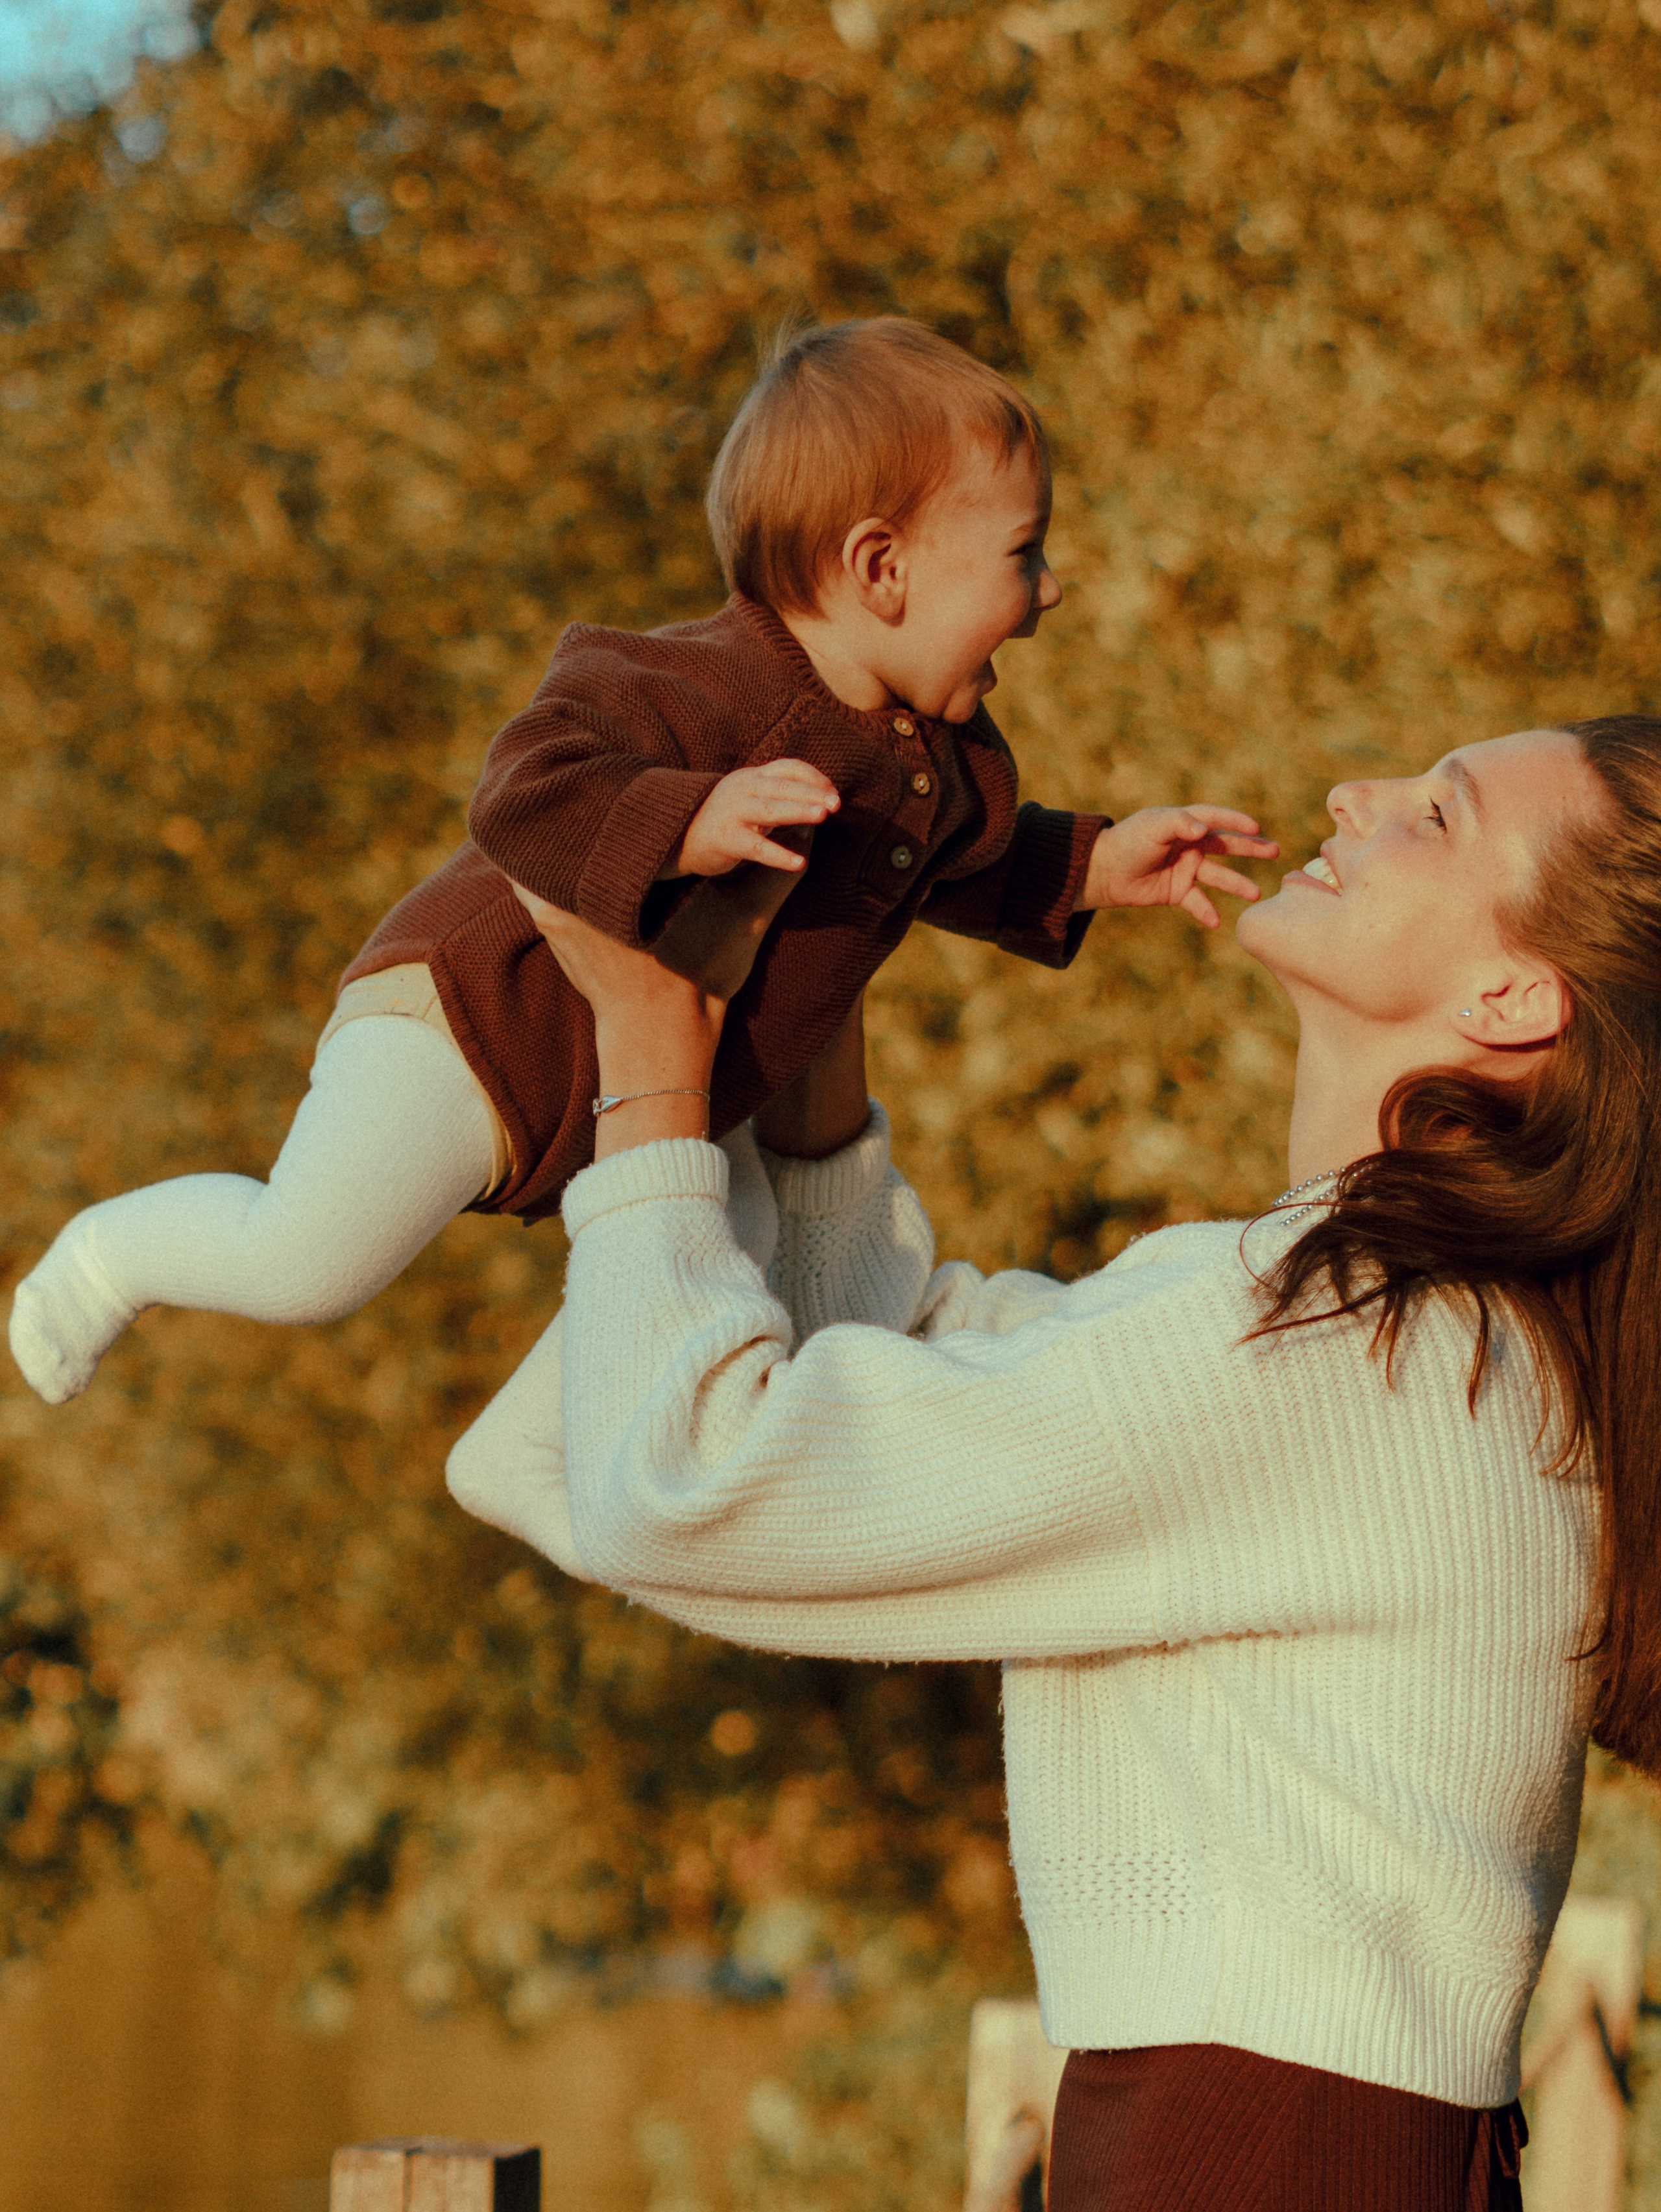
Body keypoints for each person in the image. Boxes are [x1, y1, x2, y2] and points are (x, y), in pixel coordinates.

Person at [449, 714, 1661, 2207]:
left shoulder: (1342, 1342)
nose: (1355, 788)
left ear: (1511, 994)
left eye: (1438, 813)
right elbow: (909, 1377)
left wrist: (650, 1060)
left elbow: (697, 1485)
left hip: (1245, 2157)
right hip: (1283, 2145)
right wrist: (821, 965)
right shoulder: (1400, 1324)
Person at [8, 316, 1270, 1420]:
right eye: (1022, 553)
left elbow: (961, 863)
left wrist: (1096, 861)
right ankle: (109, 1254)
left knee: (739, 1298)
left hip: (656, 1092)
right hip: (465, 1020)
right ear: (880, 568)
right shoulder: (688, 678)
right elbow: (524, 790)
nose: (1050, 589)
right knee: (309, 1260)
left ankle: (685, 1466)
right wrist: (685, 819)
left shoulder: (930, 756)